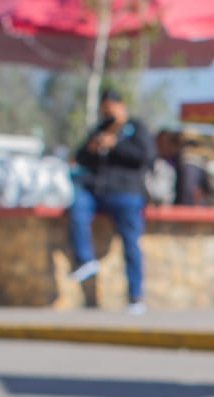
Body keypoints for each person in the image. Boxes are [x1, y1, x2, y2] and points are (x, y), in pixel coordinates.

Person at [68, 87, 154, 314]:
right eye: (103, 110)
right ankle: (84, 259)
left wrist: (115, 144)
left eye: (110, 108)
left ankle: (135, 296)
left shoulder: (135, 128)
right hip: (97, 191)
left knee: (131, 243)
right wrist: (92, 148)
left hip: (127, 192)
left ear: (121, 105)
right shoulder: (99, 129)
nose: (107, 113)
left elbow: (145, 156)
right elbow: (79, 157)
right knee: (77, 206)